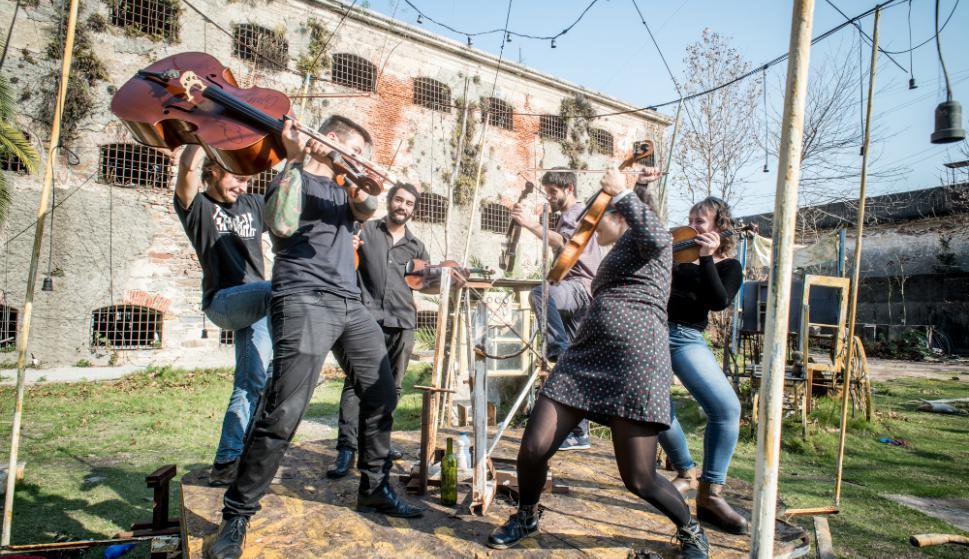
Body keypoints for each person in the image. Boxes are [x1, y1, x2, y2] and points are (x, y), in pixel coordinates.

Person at [208, 116, 423, 559]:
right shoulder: (293, 177)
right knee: (283, 411)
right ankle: (237, 514)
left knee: (382, 392)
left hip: (350, 303)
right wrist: (295, 158)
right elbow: (281, 226)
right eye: (358, 149)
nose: (364, 159)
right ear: (334, 141)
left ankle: (375, 486)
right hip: (303, 296)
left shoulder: (345, 191)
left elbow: (366, 207)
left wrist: (352, 174)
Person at [488, 168, 709, 559]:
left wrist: (623, 192)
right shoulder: (618, 252)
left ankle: (690, 530)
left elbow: (656, 235)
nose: (589, 230)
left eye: (597, 218)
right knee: (533, 447)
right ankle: (527, 515)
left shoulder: (651, 243)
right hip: (584, 360)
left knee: (639, 478)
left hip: (635, 368)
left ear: (621, 215)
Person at [173, 145, 272, 487]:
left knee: (252, 383)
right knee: (282, 287)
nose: (243, 187)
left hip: (258, 304)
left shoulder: (254, 205)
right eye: (237, 178)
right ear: (214, 171)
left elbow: (290, 211)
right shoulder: (198, 207)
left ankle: (227, 461)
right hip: (224, 301)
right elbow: (186, 170)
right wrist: (201, 134)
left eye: (247, 181)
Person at [326, 182, 429, 478]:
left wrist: (444, 275)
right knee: (356, 384)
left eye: (409, 203)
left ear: (413, 209)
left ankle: (378, 444)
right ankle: (347, 448)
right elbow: (345, 261)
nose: (403, 207)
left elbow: (423, 283)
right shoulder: (365, 230)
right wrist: (349, 247)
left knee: (393, 386)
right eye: (399, 200)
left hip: (402, 321)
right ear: (389, 201)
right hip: (365, 318)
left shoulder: (416, 246)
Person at [658, 197, 747, 535]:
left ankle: (711, 494)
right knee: (653, 405)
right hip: (653, 330)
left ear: (718, 228)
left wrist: (706, 258)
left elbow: (718, 301)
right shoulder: (678, 257)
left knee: (726, 409)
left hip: (686, 337)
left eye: (702, 221)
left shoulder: (729, 265)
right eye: (691, 218)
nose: (693, 225)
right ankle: (685, 473)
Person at [510, 168, 602, 450]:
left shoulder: (575, 211)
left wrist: (528, 223)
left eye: (553, 192)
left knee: (540, 294)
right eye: (547, 191)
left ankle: (556, 349)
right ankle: (579, 433)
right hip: (579, 292)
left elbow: (562, 243)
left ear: (569, 188)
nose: (549, 197)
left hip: (580, 288)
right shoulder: (568, 214)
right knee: (574, 366)